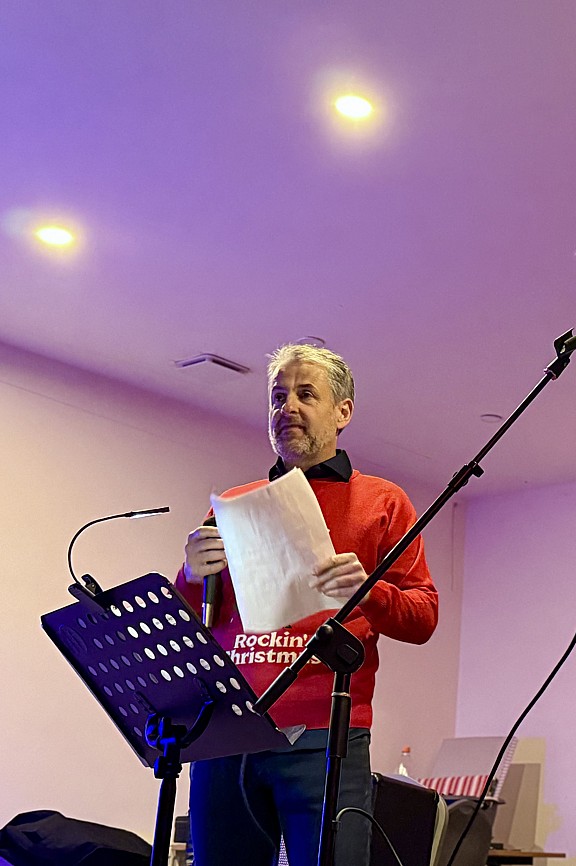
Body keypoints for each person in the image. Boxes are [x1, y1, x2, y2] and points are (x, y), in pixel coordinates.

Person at [175, 344, 438, 866]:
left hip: (327, 732)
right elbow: (193, 623)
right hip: (231, 729)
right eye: (278, 397)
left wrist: (370, 591)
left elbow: (423, 616)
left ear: (343, 412)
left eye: (305, 394)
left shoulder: (384, 501)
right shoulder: (233, 504)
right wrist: (188, 575)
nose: (287, 407)